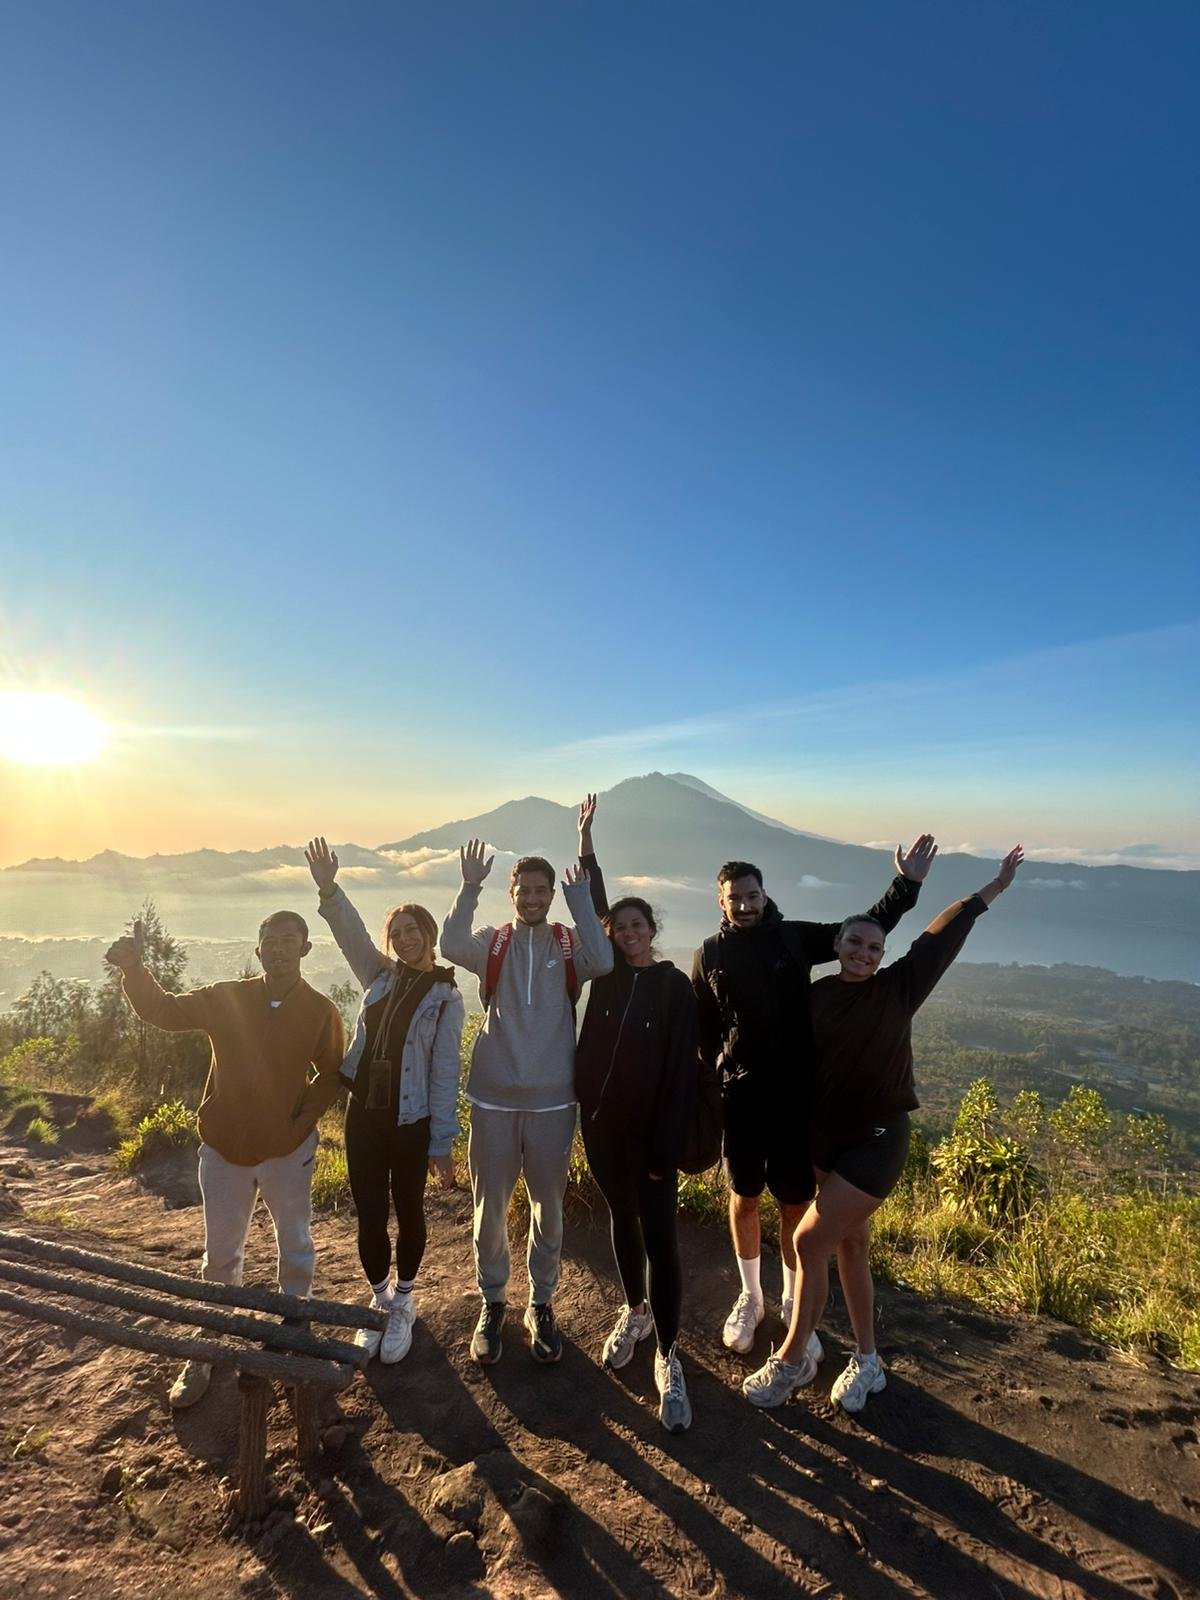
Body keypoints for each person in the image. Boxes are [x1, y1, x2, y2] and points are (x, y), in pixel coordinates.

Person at [743, 846, 1025, 1410]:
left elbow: (940, 938)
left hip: (877, 1141)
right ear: (837, 945)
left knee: (809, 1240)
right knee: (850, 1242)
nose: (864, 953)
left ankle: (792, 1361)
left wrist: (991, 889)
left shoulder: (898, 988)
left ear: (882, 954)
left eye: (874, 947)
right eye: (854, 942)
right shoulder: (816, 996)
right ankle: (868, 1361)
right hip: (824, 1139)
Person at [692, 840, 935, 1358]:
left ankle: (790, 1300)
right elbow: (704, 1030)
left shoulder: (794, 938)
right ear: (721, 901)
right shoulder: (708, 954)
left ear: (764, 895)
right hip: (742, 1099)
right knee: (744, 1196)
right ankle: (751, 1297)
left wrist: (907, 885)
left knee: (793, 1204)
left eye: (752, 896)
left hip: (796, 1101)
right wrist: (710, 1081)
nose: (744, 905)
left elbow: (861, 933)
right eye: (735, 898)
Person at [105, 911, 345, 1408]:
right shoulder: (227, 997)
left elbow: (330, 1074)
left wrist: (298, 1127)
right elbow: (164, 1010)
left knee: (295, 1245)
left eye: (288, 941)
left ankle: (295, 1324)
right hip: (222, 1151)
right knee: (219, 1256)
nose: (278, 949)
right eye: (269, 941)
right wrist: (134, 971)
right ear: (257, 950)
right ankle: (210, 1339)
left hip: (287, 1152)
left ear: (305, 949)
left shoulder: (320, 1011)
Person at [441, 839, 613, 1365]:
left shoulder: (568, 943)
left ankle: (541, 1302)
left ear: (551, 895)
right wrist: (469, 886)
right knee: (489, 1209)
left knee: (548, 1210)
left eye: (542, 891)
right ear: (511, 893)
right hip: (493, 1098)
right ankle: (493, 1301)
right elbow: (449, 944)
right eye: (525, 890)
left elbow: (603, 960)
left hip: (553, 1102)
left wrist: (581, 900)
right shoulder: (492, 942)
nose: (533, 898)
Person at [304, 837, 464, 1365]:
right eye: (395, 933)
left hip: (412, 1119)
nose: (403, 939)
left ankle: (405, 1301)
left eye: (412, 930)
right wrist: (329, 889)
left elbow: (444, 1075)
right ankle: (379, 1300)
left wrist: (442, 1142)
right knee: (370, 1213)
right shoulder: (379, 975)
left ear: (429, 935)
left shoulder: (445, 996)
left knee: (410, 1210)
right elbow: (349, 933)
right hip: (365, 1115)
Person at [574, 794, 700, 1433]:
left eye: (636, 926)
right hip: (601, 1128)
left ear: (652, 930)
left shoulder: (674, 987)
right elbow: (594, 902)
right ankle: (637, 1311)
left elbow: (682, 1077)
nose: (626, 934)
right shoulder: (605, 976)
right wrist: (586, 844)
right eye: (618, 927)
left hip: (653, 1137)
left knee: (661, 1238)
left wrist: (666, 1146)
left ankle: (670, 1355)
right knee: (622, 1219)